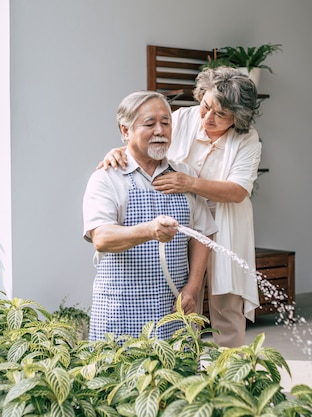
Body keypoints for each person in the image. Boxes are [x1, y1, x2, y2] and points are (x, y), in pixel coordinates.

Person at [99, 67, 261, 347]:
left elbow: (237, 191)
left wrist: (190, 183)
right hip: (184, 217)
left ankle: (231, 374)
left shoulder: (247, 139)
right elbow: (150, 140)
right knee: (185, 293)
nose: (208, 118)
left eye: (220, 115)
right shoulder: (184, 117)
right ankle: (187, 362)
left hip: (227, 221)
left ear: (238, 118)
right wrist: (119, 151)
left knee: (226, 304)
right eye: (206, 106)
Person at [83, 90, 217, 342]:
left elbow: (203, 233)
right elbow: (101, 237)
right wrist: (150, 231)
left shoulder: (184, 174)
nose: (160, 131)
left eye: (166, 123)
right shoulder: (106, 178)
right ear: (125, 131)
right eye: (150, 123)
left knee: (178, 379)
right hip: (121, 311)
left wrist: (193, 287)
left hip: (174, 309)